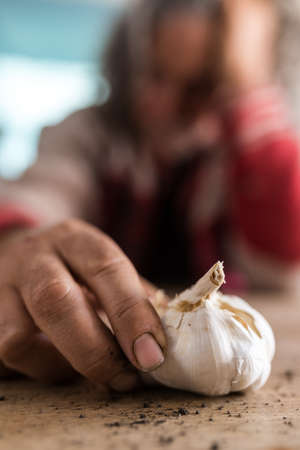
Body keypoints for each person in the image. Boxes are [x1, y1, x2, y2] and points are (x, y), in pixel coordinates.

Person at [0, 0, 299, 390]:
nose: (167, 104)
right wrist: (18, 246)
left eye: (200, 87)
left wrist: (250, 87)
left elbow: (278, 266)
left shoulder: (245, 151)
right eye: (156, 75)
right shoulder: (87, 134)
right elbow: (40, 196)